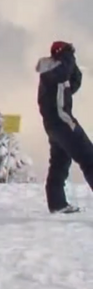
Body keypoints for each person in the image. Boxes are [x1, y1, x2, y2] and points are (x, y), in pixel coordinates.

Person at [36, 40, 93, 214]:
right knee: (89, 157)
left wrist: (71, 62)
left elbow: (73, 83)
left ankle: (57, 204)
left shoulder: (51, 72)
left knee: (59, 163)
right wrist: (68, 56)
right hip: (63, 121)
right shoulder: (57, 70)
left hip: (53, 125)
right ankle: (57, 204)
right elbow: (64, 74)